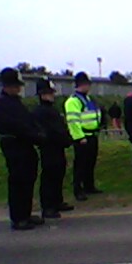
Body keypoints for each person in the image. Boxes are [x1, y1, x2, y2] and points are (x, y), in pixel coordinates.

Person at [0, 68, 46, 230]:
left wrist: (38, 133)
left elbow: (29, 121)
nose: (18, 89)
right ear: (7, 85)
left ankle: (26, 213)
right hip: (14, 146)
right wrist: (34, 135)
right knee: (18, 182)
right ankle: (18, 217)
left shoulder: (16, 102)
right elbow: (16, 127)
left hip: (26, 145)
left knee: (28, 180)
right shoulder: (1, 104)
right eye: (15, 85)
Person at [32, 78, 74, 219]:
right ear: (42, 94)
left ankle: (57, 201)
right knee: (49, 176)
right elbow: (51, 131)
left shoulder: (51, 110)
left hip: (58, 147)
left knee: (58, 173)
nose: (52, 95)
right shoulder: (40, 112)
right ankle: (48, 206)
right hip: (49, 147)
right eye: (49, 93)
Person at [65, 71, 102, 201]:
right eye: (88, 84)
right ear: (82, 84)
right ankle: (78, 189)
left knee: (90, 163)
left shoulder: (88, 99)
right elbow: (73, 122)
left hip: (92, 135)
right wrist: (80, 137)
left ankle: (89, 186)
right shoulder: (73, 101)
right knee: (80, 164)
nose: (89, 87)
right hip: (82, 137)